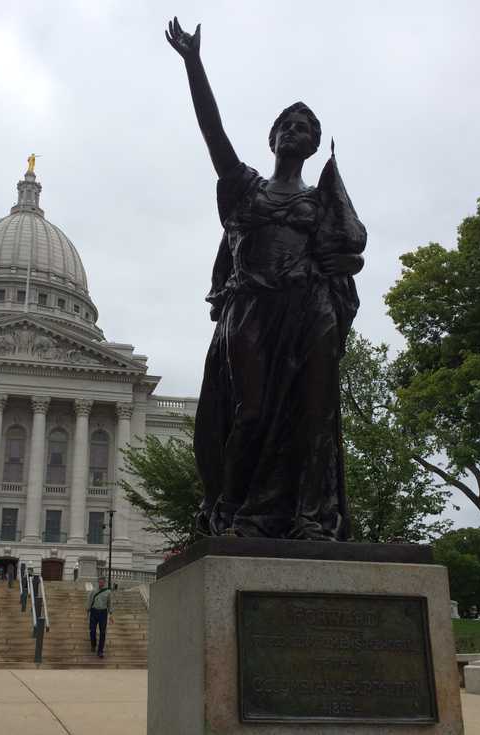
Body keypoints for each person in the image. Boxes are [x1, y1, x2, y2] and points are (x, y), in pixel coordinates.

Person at [166, 17, 366, 541]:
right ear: (273, 136)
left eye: (308, 128)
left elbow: (345, 250)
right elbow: (213, 132)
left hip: (309, 310)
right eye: (290, 125)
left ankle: (310, 517)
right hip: (253, 310)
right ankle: (235, 512)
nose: (297, 131)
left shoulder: (320, 200)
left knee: (313, 414)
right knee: (249, 412)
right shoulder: (244, 188)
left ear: (314, 145)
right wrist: (194, 65)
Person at [87, 576, 113, 658]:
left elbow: (109, 603)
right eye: (100, 582)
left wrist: (111, 614)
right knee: (92, 630)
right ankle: (93, 644)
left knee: (102, 632)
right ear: (98, 582)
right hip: (94, 612)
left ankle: (100, 651)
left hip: (103, 613)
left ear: (104, 582)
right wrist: (87, 610)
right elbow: (89, 601)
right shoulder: (93, 591)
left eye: (102, 582)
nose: (101, 583)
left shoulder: (108, 592)